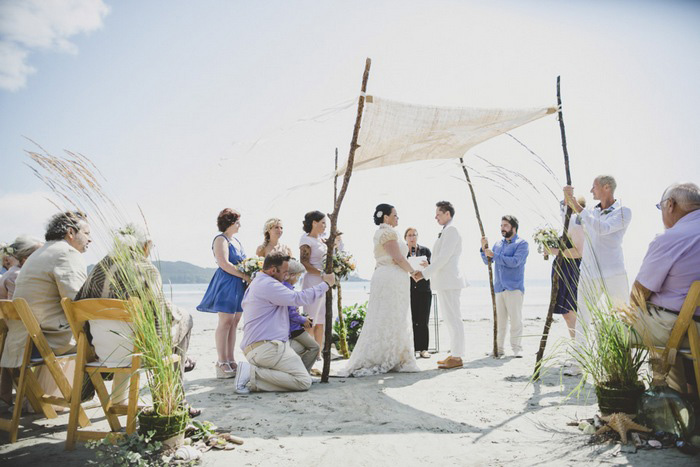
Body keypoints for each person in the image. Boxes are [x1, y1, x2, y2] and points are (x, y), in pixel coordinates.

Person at [75, 225, 197, 412]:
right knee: (185, 320)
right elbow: (159, 316)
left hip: (100, 351)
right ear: (145, 246)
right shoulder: (146, 269)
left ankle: (119, 399)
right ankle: (173, 401)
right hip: (135, 351)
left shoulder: (99, 268)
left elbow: (78, 305)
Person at [629, 182, 700, 395]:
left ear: (670, 205)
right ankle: (687, 392)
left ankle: (625, 400)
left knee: (610, 330)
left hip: (682, 327)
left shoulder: (671, 239)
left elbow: (638, 294)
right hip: (693, 326)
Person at [1, 211, 91, 370]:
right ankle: (86, 394)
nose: (90, 239)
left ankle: (78, 393)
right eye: (86, 233)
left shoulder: (37, 254)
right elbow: (78, 304)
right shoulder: (67, 253)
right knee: (116, 344)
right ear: (70, 232)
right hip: (49, 342)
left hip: (21, 343)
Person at [338, 204, 419, 377]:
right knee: (390, 314)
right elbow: (397, 258)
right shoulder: (387, 233)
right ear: (386, 217)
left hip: (390, 276)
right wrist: (413, 272)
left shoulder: (384, 232)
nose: (398, 218)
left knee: (390, 315)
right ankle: (388, 356)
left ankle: (395, 353)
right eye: (395, 215)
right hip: (391, 277)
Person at [235, 253, 334, 394]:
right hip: (267, 348)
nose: (287, 276)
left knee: (307, 346)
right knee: (303, 382)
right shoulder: (269, 285)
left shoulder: (259, 282)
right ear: (273, 270)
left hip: (260, 347)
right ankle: (252, 374)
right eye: (285, 272)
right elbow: (298, 298)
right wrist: (326, 284)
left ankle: (275, 373)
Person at [564, 175, 632, 339]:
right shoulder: (591, 212)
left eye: (594, 186)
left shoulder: (623, 212)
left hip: (614, 273)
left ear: (606, 187)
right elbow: (569, 220)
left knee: (621, 317)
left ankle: (624, 360)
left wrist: (579, 208)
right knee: (582, 319)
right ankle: (578, 362)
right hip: (588, 273)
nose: (590, 190)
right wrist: (567, 198)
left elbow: (603, 228)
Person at [197, 208, 251, 379]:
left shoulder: (237, 241)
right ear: (229, 222)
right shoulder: (221, 239)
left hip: (239, 283)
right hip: (227, 283)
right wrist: (244, 275)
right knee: (225, 321)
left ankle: (230, 358)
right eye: (237, 222)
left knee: (235, 322)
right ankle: (221, 361)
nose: (239, 225)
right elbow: (224, 263)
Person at [414, 201, 468, 369]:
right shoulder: (446, 230)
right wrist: (428, 266)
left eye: (438, 213)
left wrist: (424, 274)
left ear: (447, 214)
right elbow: (441, 257)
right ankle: (454, 353)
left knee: (454, 319)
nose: (435, 216)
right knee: (450, 319)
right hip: (445, 281)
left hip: (450, 280)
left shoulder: (452, 230)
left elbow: (444, 257)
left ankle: (458, 356)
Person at [0, 236, 43, 405]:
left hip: (7, 334)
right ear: (26, 259)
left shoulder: (12, 273)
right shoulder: (18, 277)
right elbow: (17, 311)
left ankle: (7, 397)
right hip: (16, 335)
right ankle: (34, 399)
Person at [481, 215, 529, 358]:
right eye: (501, 225)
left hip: (514, 287)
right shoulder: (498, 244)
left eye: (505, 226)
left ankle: (517, 349)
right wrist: (483, 248)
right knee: (500, 321)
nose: (502, 228)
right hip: (499, 287)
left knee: (515, 320)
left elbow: (515, 262)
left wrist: (494, 255)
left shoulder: (522, 244)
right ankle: (498, 348)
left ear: (513, 227)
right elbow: (487, 261)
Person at [542, 198, 586, 339]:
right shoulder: (568, 227)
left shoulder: (577, 225)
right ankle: (576, 344)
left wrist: (553, 251)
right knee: (567, 313)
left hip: (573, 272)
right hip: (564, 272)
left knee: (571, 311)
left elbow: (578, 252)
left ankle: (578, 346)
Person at [299, 210, 328, 353]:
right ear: (314, 223)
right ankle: (309, 352)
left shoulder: (322, 240)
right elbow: (304, 262)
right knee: (311, 319)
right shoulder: (306, 240)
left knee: (321, 319)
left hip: (324, 282)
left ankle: (319, 353)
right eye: (323, 223)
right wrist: (322, 273)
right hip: (312, 281)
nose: (325, 226)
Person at [284, 259, 318, 372]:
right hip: (294, 329)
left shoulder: (284, 287)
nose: (298, 279)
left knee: (307, 346)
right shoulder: (287, 290)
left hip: (292, 327)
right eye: (298, 276)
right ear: (291, 275)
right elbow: (291, 313)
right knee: (315, 347)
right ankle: (303, 372)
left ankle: (301, 370)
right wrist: (303, 320)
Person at [405, 227, 432, 359]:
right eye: (409, 235)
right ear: (405, 238)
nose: (412, 237)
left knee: (423, 320)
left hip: (423, 289)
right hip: (408, 289)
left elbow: (433, 268)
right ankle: (412, 349)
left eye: (414, 235)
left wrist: (428, 265)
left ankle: (424, 349)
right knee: (411, 320)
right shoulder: (403, 251)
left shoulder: (425, 250)